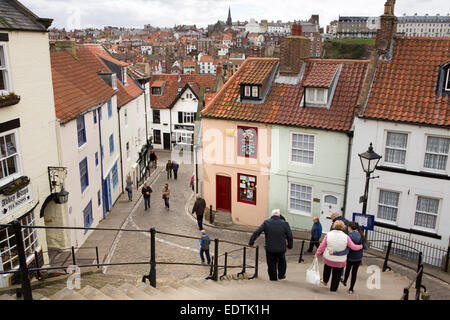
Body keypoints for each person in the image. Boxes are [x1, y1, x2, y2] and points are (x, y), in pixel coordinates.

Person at [314, 220, 363, 292]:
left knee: (327, 269)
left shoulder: (328, 234)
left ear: (334, 226)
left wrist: (316, 254)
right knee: (337, 274)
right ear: (343, 227)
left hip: (328, 258)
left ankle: (325, 281)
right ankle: (333, 288)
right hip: (340, 260)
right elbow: (353, 247)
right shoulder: (346, 237)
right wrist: (361, 246)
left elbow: (322, 246)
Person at [248, 209, 293, 281]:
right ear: (279, 215)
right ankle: (281, 275)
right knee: (282, 262)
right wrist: (290, 246)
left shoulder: (266, 223)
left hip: (270, 248)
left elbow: (257, 232)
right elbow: (290, 236)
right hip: (281, 249)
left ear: (272, 215)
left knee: (271, 264)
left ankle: (273, 278)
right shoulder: (285, 223)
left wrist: (251, 243)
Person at [335, 222, 368, 294]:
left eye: (348, 227)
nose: (347, 228)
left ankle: (345, 281)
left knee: (347, 269)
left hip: (350, 256)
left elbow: (346, 246)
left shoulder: (349, 236)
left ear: (350, 227)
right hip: (358, 258)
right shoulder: (361, 235)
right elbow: (365, 247)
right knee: (354, 273)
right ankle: (351, 289)